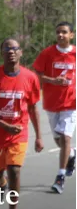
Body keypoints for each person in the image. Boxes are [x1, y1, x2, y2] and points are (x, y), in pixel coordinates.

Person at [0, 38, 45, 209]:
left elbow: (32, 108)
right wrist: (3, 125)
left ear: (21, 53)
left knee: (15, 170)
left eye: (15, 49)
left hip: (18, 134)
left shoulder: (30, 78)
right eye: (7, 48)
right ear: (2, 53)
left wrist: (39, 136)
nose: (11, 51)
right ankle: (0, 183)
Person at [32, 22, 75, 193]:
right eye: (58, 32)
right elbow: (37, 75)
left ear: (71, 35)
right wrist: (53, 81)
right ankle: (71, 154)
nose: (60, 35)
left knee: (65, 138)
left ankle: (60, 176)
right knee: (59, 140)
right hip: (51, 102)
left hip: (71, 104)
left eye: (64, 32)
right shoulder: (48, 53)